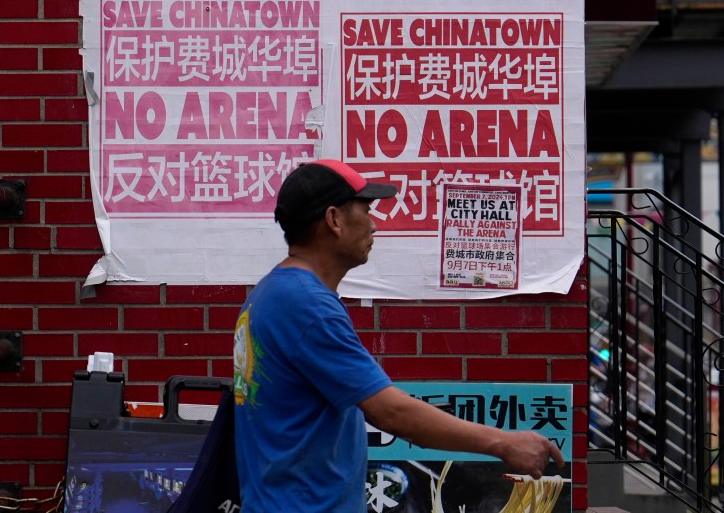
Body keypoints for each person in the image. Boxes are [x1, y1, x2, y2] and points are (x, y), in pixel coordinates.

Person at [233, 159, 563, 512]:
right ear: (334, 220)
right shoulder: (306, 304)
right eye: (366, 210)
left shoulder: (270, 294)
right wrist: (503, 442)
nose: (374, 225)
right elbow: (390, 412)